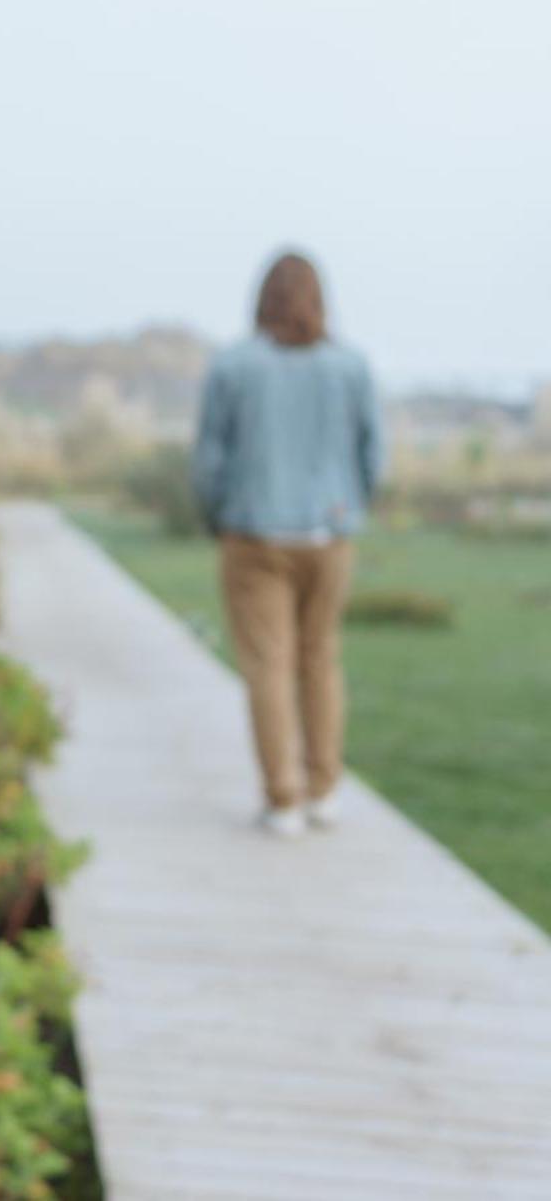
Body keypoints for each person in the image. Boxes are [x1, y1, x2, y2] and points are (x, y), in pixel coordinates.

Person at [191, 251, 385, 837]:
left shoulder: (233, 366)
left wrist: (217, 514)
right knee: (320, 658)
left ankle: (284, 799)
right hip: (329, 533)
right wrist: (351, 507)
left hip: (254, 533)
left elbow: (208, 458)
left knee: (268, 667)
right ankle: (323, 789)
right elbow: (372, 455)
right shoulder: (351, 367)